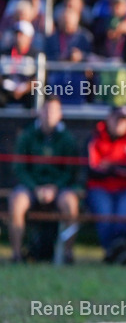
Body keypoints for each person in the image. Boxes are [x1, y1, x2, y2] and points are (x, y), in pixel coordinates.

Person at [9, 96, 80, 263]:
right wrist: (35, 188)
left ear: (60, 114)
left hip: (59, 188)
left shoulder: (67, 139)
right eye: (46, 110)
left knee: (71, 203)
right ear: (39, 112)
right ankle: (16, 255)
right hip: (31, 187)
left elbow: (71, 171)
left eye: (54, 110)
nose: (49, 114)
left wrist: (54, 187)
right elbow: (19, 168)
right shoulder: (27, 135)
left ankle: (67, 255)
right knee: (16, 202)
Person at [86, 106, 126, 263]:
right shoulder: (95, 137)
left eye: (124, 121)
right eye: (117, 119)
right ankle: (116, 252)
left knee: (123, 216)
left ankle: (114, 253)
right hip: (99, 187)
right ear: (108, 119)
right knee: (105, 214)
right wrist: (119, 167)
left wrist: (110, 166)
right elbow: (93, 169)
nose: (119, 124)